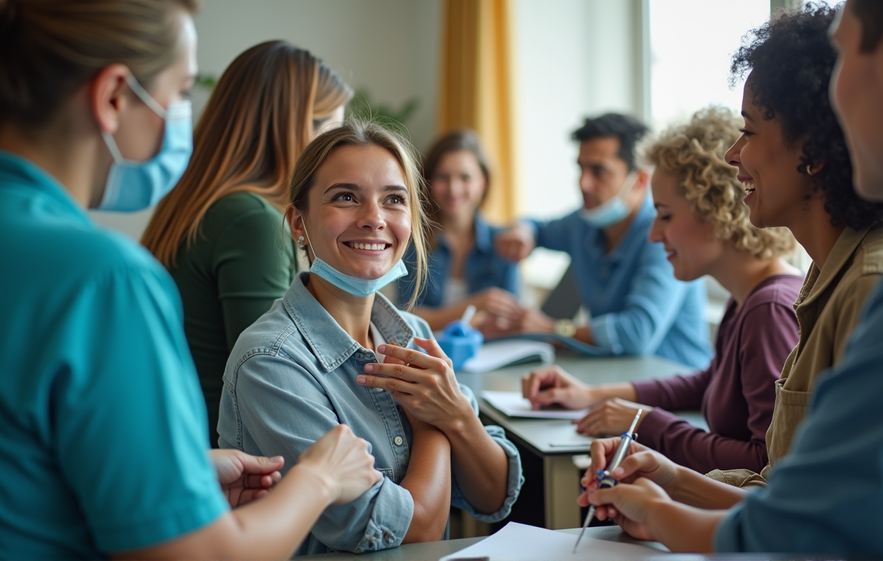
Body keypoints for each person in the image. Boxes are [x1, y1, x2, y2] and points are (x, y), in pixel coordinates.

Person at [579, 2, 883, 556]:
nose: (835, 101)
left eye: (845, 55)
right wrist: (673, 482)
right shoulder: (833, 276)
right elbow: (799, 496)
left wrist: (662, 512)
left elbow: (815, 533)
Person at [0, 1, 381, 559]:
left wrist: (175, 467)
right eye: (180, 94)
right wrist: (319, 478)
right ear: (112, 98)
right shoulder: (102, 279)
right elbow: (200, 555)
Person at [218, 121, 523, 554]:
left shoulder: (413, 334)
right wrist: (435, 423)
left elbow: (492, 496)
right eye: (346, 197)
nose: (374, 219)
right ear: (298, 223)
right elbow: (418, 530)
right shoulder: (270, 361)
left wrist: (455, 415)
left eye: (394, 200)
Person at [521, 107, 802, 474]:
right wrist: (593, 396)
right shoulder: (748, 298)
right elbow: (708, 382)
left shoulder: (769, 309)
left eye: (665, 215)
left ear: (716, 211)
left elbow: (767, 464)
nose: (654, 234)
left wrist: (645, 422)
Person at [142, 40, 353, 446]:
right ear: (292, 128)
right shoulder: (253, 221)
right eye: (330, 134)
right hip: (230, 462)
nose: (338, 154)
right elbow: (276, 375)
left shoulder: (202, 199)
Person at [495, 114, 712, 368]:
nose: (583, 183)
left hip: (679, 388)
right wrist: (522, 231)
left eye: (599, 171)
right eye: (581, 168)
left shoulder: (664, 234)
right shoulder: (584, 223)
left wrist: (552, 329)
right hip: (616, 377)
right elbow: (537, 227)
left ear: (640, 180)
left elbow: (636, 333)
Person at [397, 129, 522, 335]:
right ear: (428, 183)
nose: (453, 189)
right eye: (443, 177)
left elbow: (509, 320)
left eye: (465, 177)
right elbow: (405, 318)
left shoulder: (504, 242)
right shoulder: (411, 242)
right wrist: (477, 304)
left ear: (483, 182)